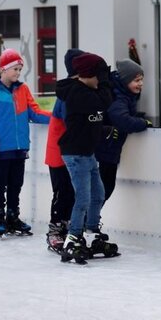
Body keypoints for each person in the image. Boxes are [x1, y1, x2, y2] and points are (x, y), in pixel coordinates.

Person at [0, 48, 50, 237]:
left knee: (16, 184)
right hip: (1, 149)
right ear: (3, 69)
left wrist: (57, 117)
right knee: (0, 184)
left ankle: (13, 215)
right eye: (15, 69)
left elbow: (34, 113)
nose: (18, 73)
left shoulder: (22, 89)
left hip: (20, 148)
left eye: (20, 69)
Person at [56, 52, 118, 264]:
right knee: (82, 198)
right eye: (100, 76)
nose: (102, 81)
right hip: (75, 153)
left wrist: (104, 130)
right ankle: (72, 238)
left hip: (87, 153)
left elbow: (92, 119)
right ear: (90, 75)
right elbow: (103, 103)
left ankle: (91, 233)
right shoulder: (77, 93)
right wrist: (106, 83)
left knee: (98, 195)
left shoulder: (88, 91)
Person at [44, 48, 84, 253]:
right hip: (59, 154)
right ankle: (55, 230)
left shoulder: (76, 90)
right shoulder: (68, 93)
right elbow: (72, 121)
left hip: (70, 152)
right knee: (62, 192)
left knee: (71, 191)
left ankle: (67, 225)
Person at [96, 59, 152, 202]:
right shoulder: (119, 97)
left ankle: (89, 221)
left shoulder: (123, 94)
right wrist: (143, 123)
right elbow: (123, 120)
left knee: (104, 188)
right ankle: (88, 221)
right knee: (104, 188)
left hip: (108, 149)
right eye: (136, 80)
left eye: (141, 80)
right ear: (125, 80)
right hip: (105, 149)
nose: (141, 83)